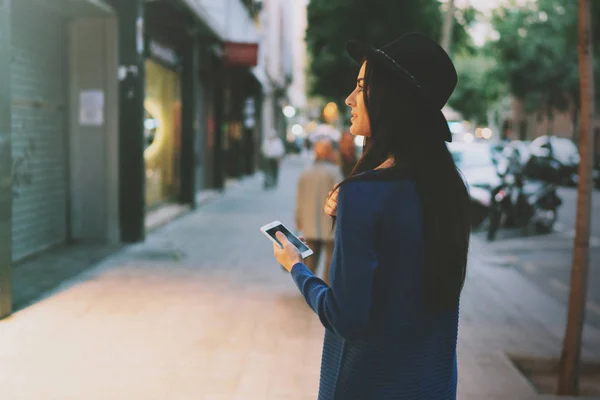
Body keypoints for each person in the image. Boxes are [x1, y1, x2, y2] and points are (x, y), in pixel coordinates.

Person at [271, 32, 471, 399]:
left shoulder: (363, 194)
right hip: (434, 385)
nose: (349, 98)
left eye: (361, 86)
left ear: (389, 98)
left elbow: (346, 317)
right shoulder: (451, 192)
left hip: (367, 384)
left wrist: (296, 268)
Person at [295, 139, 343, 285]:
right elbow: (341, 196)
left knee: (310, 260)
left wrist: (298, 219)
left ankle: (308, 287)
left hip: (309, 223)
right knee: (330, 261)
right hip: (329, 224)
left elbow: (299, 198)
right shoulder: (334, 172)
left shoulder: (306, 172)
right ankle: (328, 289)